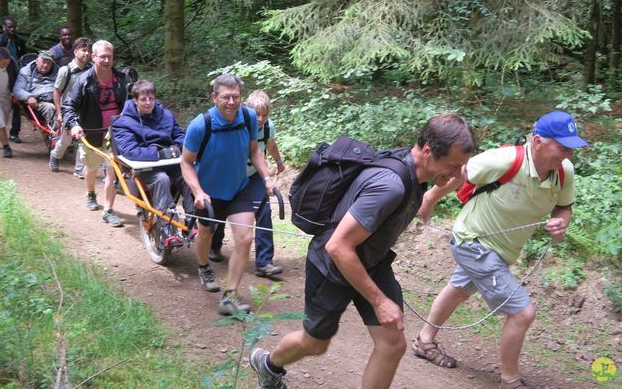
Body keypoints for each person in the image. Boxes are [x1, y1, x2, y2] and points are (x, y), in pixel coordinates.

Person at [250, 113, 476, 389]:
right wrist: (380, 302)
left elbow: (458, 173)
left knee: (392, 345)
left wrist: (430, 197)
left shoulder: (418, 168)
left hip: (371, 262)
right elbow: (338, 246)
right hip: (332, 267)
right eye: (452, 166)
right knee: (315, 343)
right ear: (428, 150)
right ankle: (269, 364)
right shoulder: (390, 186)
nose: (456, 174)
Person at [411, 110, 587, 389]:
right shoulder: (505, 159)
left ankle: (424, 340)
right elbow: (459, 171)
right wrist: (429, 199)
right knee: (522, 312)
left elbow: (564, 206)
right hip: (473, 243)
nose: (568, 154)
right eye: (563, 147)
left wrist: (561, 222)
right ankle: (509, 380)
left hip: (500, 251)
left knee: (458, 289)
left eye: (572, 148)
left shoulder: (564, 172)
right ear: (538, 141)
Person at [180, 73, 276, 316]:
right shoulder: (200, 125)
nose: (231, 102)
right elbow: (186, 162)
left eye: (236, 97)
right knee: (205, 234)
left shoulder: (247, 117)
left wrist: (266, 177)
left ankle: (230, 296)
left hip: (238, 188)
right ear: (214, 97)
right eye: (225, 97)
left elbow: (255, 151)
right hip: (209, 193)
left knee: (244, 238)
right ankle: (203, 267)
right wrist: (198, 191)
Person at [110, 79, 195, 248]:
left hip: (171, 161)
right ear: (135, 100)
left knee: (190, 176)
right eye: (143, 99)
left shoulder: (165, 115)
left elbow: (179, 134)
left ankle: (193, 222)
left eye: (151, 98)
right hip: (145, 167)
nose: (148, 102)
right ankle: (167, 228)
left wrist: (179, 147)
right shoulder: (122, 123)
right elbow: (130, 150)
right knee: (161, 179)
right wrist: (159, 154)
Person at [62, 40, 131, 227]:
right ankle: (91, 193)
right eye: (103, 56)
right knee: (91, 168)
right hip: (91, 134)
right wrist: (74, 125)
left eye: (110, 56)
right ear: (93, 57)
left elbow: (131, 104)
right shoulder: (83, 81)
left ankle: (108, 210)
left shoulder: (123, 80)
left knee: (112, 169)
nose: (107, 60)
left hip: (115, 134)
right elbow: (68, 105)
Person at [244, 90, 286, 277]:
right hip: (230, 175)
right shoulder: (237, 126)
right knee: (220, 211)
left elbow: (270, 144)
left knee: (264, 211)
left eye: (264, 114)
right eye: (256, 114)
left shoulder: (268, 127)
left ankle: (264, 262)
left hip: (255, 174)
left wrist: (278, 161)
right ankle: (214, 245)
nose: (260, 119)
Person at [49, 37, 92, 174]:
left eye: (89, 51)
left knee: (83, 139)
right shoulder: (65, 70)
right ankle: (55, 156)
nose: (87, 53)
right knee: (66, 140)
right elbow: (57, 92)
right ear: (75, 51)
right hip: (69, 110)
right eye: (83, 50)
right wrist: (59, 113)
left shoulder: (92, 70)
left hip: (85, 110)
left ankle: (79, 169)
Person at [0, 16, 27, 143]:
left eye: (14, 27)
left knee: (17, 102)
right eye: (9, 26)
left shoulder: (20, 41)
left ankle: (14, 133)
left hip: (15, 74)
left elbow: (24, 57)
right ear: (3, 27)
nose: (12, 29)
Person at [13, 50, 58, 129]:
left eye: (49, 63)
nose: (45, 65)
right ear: (37, 61)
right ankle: (55, 135)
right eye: (43, 62)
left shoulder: (59, 72)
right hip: (38, 101)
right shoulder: (25, 71)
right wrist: (28, 97)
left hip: (56, 98)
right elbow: (17, 89)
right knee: (50, 108)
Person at [0, 47, 18, 158]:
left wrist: (15, 93)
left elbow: (17, 78)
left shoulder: (12, 63)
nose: (5, 66)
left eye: (7, 63)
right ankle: (6, 146)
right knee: (0, 122)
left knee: (4, 121)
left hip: (7, 97)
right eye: (3, 64)